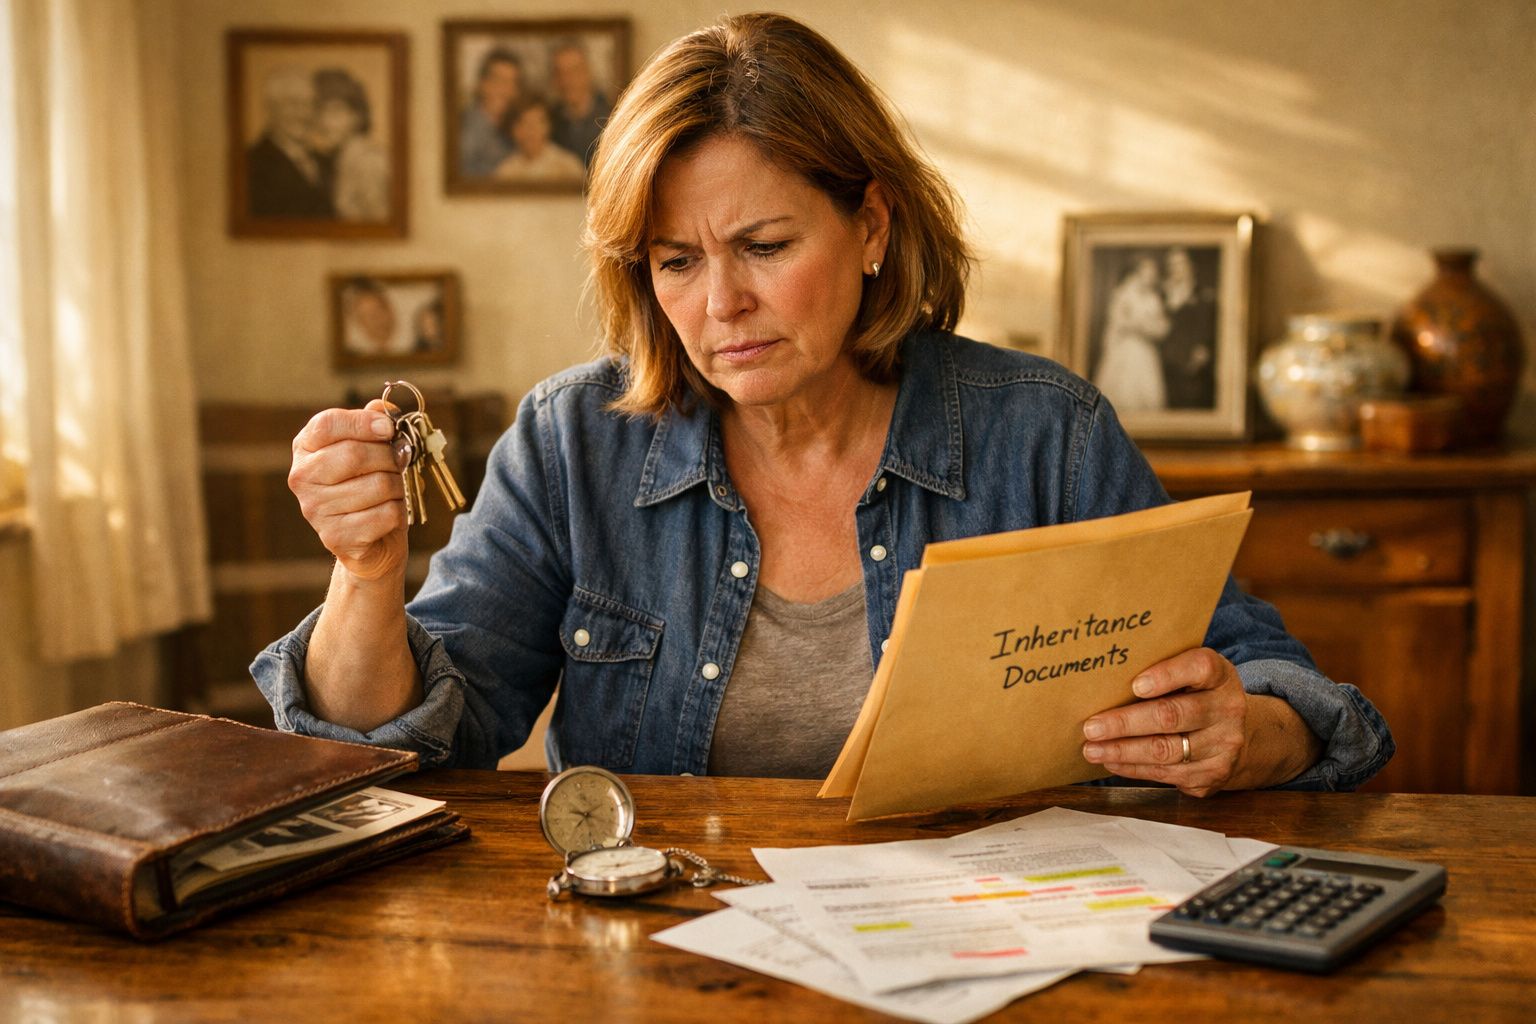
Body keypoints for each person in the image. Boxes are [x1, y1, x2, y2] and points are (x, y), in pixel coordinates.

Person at [259, 13, 1392, 796]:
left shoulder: (1044, 432)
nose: (722, 305)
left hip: (992, 946)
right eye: (675, 262)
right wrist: (365, 575)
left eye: (764, 244)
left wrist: (1247, 733)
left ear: (872, 228)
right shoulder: (572, 442)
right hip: (662, 950)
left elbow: (1288, 690)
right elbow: (405, 745)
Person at [246, 66, 334, 219]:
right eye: (293, 104)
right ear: (271, 108)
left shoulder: (327, 161)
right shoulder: (251, 163)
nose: (303, 113)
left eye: (309, 104)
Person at [1092, 254, 1170, 413]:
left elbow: (1161, 326)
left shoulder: (1153, 298)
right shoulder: (1123, 294)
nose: (1150, 276)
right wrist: (1138, 326)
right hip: (1127, 348)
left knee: (1148, 393)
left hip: (1146, 350)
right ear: (1138, 272)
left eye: (1153, 272)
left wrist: (1153, 328)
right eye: (1147, 271)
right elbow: (1117, 321)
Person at [312, 68, 390, 222]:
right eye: (319, 112)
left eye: (335, 112)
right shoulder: (338, 159)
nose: (324, 122)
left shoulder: (369, 161)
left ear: (357, 115)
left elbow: (380, 224)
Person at [1161, 246, 1219, 409]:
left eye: (1180, 263)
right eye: (1172, 265)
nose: (1176, 269)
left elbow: (1206, 326)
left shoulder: (1204, 295)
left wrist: (1202, 350)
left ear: (1190, 266)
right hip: (1168, 360)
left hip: (1193, 363)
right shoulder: (1162, 295)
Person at [548, 39, 612, 168]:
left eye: (574, 71)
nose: (567, 80)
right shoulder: (549, 121)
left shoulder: (610, 118)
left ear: (588, 73)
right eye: (560, 73)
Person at [459, 48, 521, 178]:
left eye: (512, 83)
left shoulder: (513, 130)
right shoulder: (464, 130)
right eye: (499, 81)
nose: (506, 90)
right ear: (482, 84)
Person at [493, 97, 586, 182]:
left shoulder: (569, 167)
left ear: (548, 126)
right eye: (524, 123)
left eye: (537, 123)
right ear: (513, 129)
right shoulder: (505, 172)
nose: (531, 130)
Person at [342, 278, 402, 356]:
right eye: (366, 315)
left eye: (378, 311)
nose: (375, 320)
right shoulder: (355, 354)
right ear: (359, 322)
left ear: (390, 310)